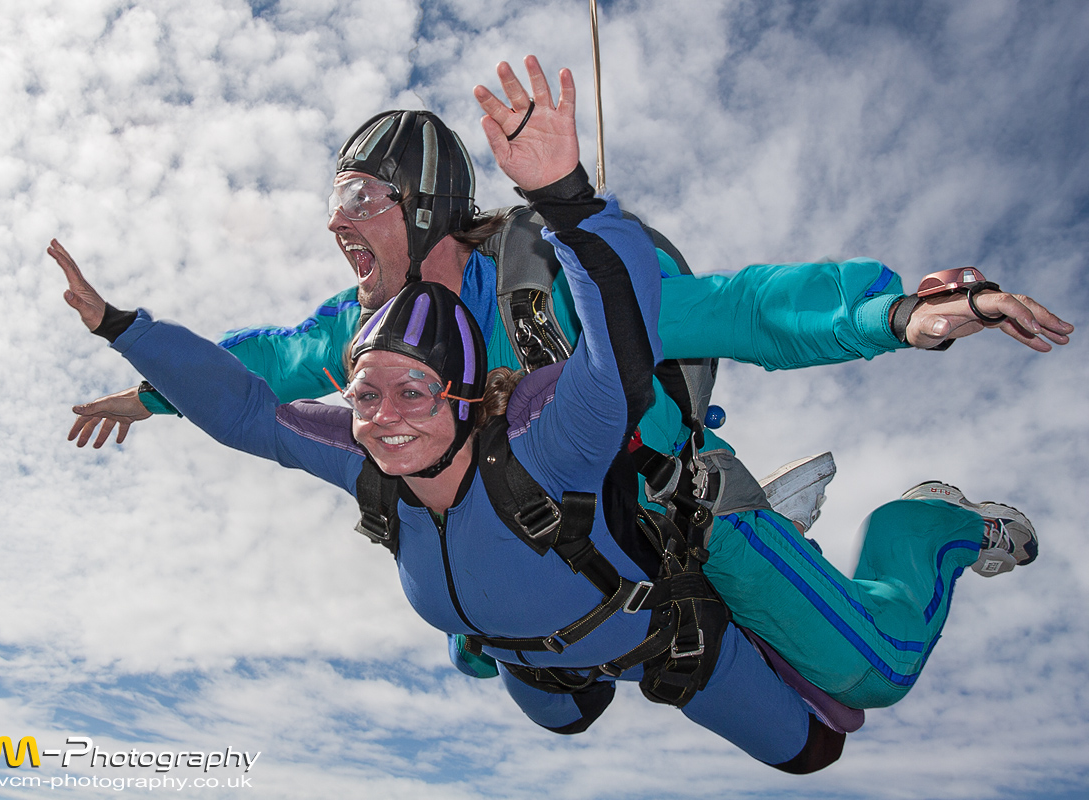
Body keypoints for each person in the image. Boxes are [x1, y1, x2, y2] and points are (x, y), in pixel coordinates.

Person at [50, 60, 846, 772]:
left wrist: (891, 313)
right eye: (334, 201)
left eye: (359, 197)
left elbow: (740, 307)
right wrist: (153, 388)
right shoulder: (366, 331)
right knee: (540, 694)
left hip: (654, 515)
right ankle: (503, 637)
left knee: (828, 723)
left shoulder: (538, 288)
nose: (336, 221)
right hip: (529, 576)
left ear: (424, 205)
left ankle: (810, 546)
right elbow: (261, 371)